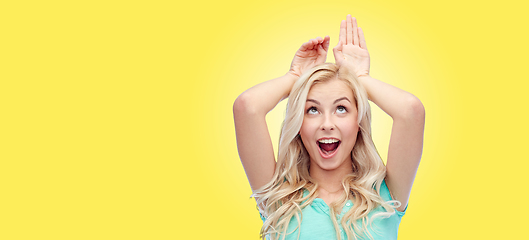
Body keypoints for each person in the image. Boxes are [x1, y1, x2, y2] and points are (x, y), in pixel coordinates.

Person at [233, 14, 425, 240]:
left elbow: (410, 111)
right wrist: (295, 76)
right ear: (299, 125)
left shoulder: (386, 195)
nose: (327, 124)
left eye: (341, 109)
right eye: (312, 110)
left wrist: (359, 78)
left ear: (358, 122)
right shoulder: (279, 199)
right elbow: (247, 107)